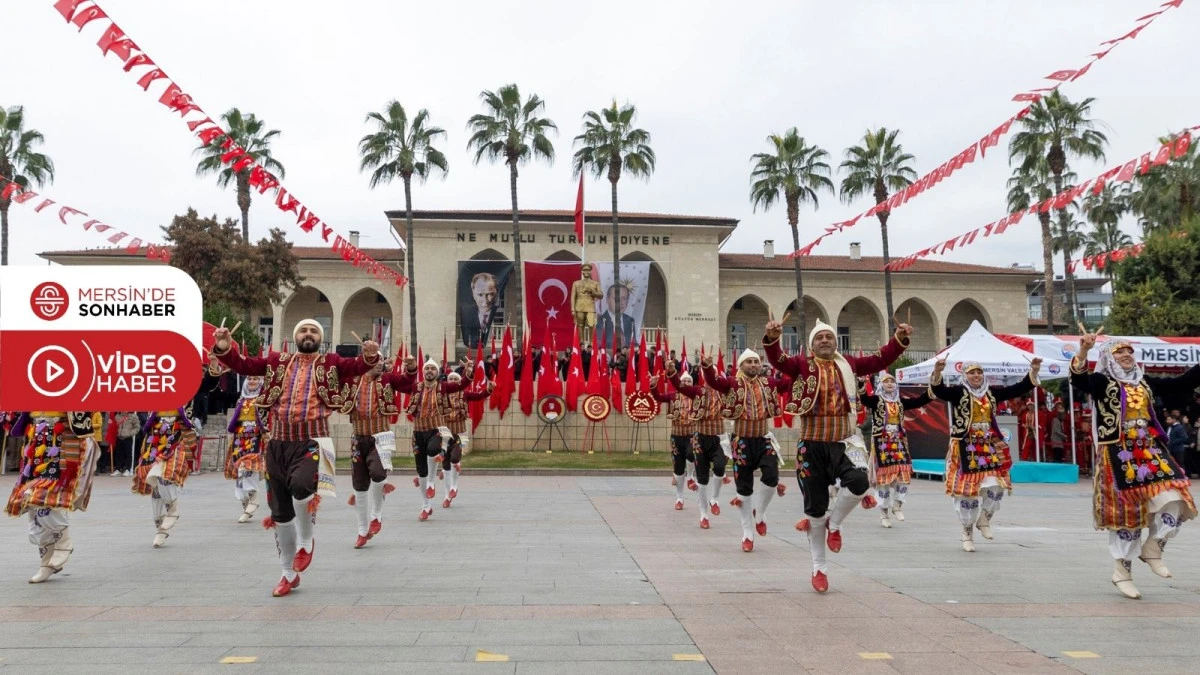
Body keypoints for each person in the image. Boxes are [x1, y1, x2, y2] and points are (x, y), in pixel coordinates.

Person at [212, 319, 382, 597]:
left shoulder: (332, 363)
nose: (308, 334)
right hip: (277, 443)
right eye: (303, 330)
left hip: (313, 441)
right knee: (280, 512)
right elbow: (243, 365)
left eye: (314, 330)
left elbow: (359, 366)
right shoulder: (277, 362)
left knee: (303, 487)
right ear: (295, 336)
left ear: (321, 338)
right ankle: (287, 574)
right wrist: (223, 346)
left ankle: (306, 540)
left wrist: (370, 353)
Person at [764, 318, 911, 592]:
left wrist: (899, 340)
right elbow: (779, 360)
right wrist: (772, 338)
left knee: (859, 482)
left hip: (845, 441)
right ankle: (819, 568)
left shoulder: (850, 364)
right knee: (815, 510)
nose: (824, 341)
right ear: (812, 345)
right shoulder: (801, 366)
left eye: (828, 337)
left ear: (835, 342)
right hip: (812, 445)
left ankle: (837, 523)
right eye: (819, 338)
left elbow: (879, 360)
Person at [1071, 335, 1198, 599]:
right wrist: (1083, 350)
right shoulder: (1102, 381)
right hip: (1117, 452)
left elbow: (1181, 383)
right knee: (1126, 515)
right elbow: (1078, 379)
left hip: (1150, 449)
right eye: (1120, 352)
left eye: (1129, 351)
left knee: (1176, 498)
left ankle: (1154, 547)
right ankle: (1122, 571)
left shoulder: (1144, 381)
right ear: (1109, 358)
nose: (1127, 355)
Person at [929, 358, 1040, 553]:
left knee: (997, 486)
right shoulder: (958, 392)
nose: (976, 376)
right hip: (965, 445)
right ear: (965, 375)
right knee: (967, 492)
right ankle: (967, 532)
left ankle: (984, 519)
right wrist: (938, 372)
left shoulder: (991, 393)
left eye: (979, 372)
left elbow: (1017, 389)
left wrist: (1034, 370)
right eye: (972, 373)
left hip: (987, 445)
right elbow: (939, 391)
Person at [702, 348, 787, 553]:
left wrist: (799, 367)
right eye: (748, 362)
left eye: (756, 362)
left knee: (772, 477)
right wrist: (707, 368)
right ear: (740, 366)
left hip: (764, 439)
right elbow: (714, 383)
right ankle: (747, 533)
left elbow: (787, 383)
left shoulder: (768, 383)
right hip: (741, 442)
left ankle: (760, 513)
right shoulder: (732, 383)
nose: (753, 365)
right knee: (744, 488)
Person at [5, 412, 100, 583]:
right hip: (37, 441)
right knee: (31, 504)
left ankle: (63, 542)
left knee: (44, 498)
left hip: (63, 441)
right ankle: (45, 563)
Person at [382, 356, 471, 521]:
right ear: (423, 372)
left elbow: (462, 384)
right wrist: (394, 370)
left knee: (434, 449)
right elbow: (397, 384)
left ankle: (432, 482)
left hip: (437, 429)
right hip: (418, 431)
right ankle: (426, 506)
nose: (430, 371)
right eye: (427, 369)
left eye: (433, 369)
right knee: (421, 470)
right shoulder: (415, 387)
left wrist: (469, 372)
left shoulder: (443, 387)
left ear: (437, 373)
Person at [862, 372, 932, 528]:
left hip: (898, 441)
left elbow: (919, 401)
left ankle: (898, 504)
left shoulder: (900, 401)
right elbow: (864, 399)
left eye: (892, 382)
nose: (889, 384)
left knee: (905, 476)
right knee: (884, 480)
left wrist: (934, 385)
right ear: (881, 385)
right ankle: (884, 513)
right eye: (886, 382)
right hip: (882, 442)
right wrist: (861, 383)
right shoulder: (876, 401)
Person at [666, 363, 730, 528]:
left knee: (720, 467)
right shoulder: (697, 392)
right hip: (700, 439)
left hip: (719, 438)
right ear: (703, 375)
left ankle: (714, 499)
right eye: (708, 372)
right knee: (702, 478)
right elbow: (680, 386)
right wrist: (673, 372)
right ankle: (703, 514)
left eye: (713, 372)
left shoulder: (724, 390)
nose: (711, 375)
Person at [346, 362, 401, 548]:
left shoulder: (387, 380)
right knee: (359, 485)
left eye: (381, 361)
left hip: (380, 437)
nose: (380, 364)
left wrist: (410, 369)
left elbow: (408, 383)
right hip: (358, 438)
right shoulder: (353, 381)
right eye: (375, 361)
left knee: (379, 474)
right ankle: (362, 531)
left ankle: (376, 515)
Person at [133, 406, 199, 547]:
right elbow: (145, 428)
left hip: (176, 445)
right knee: (155, 488)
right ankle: (160, 530)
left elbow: (189, 425)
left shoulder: (185, 403)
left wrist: (180, 408)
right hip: (154, 445)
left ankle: (172, 509)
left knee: (165, 477)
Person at [437, 369, 494, 508]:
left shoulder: (465, 394)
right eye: (451, 379)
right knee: (445, 464)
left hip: (460, 432)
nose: (454, 382)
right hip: (444, 433)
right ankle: (447, 495)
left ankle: (454, 486)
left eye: (456, 379)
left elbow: (479, 396)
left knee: (455, 458)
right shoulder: (441, 394)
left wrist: (489, 390)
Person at [650, 372, 699, 513]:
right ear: (679, 383)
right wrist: (653, 385)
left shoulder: (697, 397)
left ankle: (690, 476)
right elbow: (658, 397)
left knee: (691, 454)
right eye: (684, 381)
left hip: (692, 434)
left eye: (689, 381)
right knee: (678, 468)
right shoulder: (673, 396)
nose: (687, 383)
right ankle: (679, 498)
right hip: (676, 436)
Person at [225, 375, 268, 523]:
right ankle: (246, 503)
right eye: (249, 379)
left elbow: (268, 420)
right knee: (240, 473)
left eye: (255, 379)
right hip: (239, 437)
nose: (252, 381)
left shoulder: (264, 400)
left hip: (255, 437)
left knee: (249, 468)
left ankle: (253, 499)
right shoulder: (241, 400)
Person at [461, 272, 501, 349]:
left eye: (490, 294)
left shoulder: (499, 312)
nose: (485, 300)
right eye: (480, 295)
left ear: (497, 292)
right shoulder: (466, 314)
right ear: (473, 293)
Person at [571, 262, 605, 342]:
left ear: (590, 271)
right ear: (582, 271)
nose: (586, 272)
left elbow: (601, 295)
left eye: (588, 270)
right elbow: (573, 297)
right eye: (584, 270)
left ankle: (592, 343)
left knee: (591, 324)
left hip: (590, 307)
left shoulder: (595, 283)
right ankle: (581, 343)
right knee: (580, 325)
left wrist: (592, 291)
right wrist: (572, 309)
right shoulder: (576, 283)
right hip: (579, 306)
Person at [596, 284, 637, 350]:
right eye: (616, 298)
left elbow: (633, 342)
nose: (620, 302)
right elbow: (599, 345)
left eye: (624, 298)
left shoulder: (630, 320)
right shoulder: (600, 320)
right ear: (607, 300)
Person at [110, 411, 140, 477]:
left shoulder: (133, 416)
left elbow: (137, 427)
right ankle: (118, 469)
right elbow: (114, 425)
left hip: (128, 437)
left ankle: (128, 469)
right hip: (119, 437)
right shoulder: (117, 416)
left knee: (128, 454)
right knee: (118, 454)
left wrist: (130, 434)